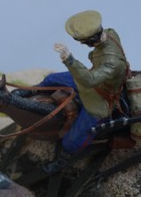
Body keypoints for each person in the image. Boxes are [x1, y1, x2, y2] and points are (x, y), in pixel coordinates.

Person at [38, 10, 129, 173]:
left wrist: (68, 59)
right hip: (91, 79)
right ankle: (27, 92)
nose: (81, 44)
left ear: (92, 40)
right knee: (51, 79)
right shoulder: (110, 33)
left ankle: (61, 162)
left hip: (98, 99)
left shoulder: (112, 62)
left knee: (71, 142)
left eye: (83, 41)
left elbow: (89, 80)